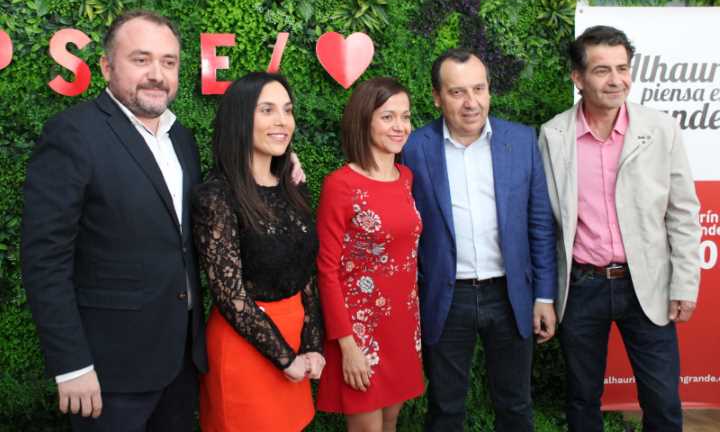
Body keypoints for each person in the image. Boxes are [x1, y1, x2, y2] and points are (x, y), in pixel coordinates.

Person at [21, 10, 208, 431]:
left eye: (168, 61)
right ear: (107, 67)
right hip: (108, 373)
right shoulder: (73, 134)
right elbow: (44, 260)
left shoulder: (182, 138)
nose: (157, 74)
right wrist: (72, 365)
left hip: (181, 362)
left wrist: (280, 165)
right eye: (141, 59)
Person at [538, 25, 701, 432]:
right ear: (577, 78)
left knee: (663, 402)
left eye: (623, 68)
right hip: (581, 286)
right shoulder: (553, 135)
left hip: (646, 285)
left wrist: (684, 283)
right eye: (602, 70)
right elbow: (545, 223)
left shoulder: (660, 129)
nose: (616, 80)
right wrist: (544, 295)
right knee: (582, 399)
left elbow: (683, 212)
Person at [402, 48, 557, 431]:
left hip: (509, 293)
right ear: (437, 97)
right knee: (445, 408)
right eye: (457, 92)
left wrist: (544, 296)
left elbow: (539, 223)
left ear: (489, 90)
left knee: (515, 405)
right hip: (446, 295)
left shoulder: (521, 141)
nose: (471, 102)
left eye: (479, 89)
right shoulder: (414, 148)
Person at [191, 72, 324, 432]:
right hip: (245, 349)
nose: (282, 120)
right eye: (267, 110)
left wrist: (313, 344)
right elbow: (229, 294)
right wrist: (285, 358)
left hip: (295, 340)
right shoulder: (216, 196)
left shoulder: (293, 186)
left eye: (287, 110)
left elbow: (306, 272)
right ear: (240, 119)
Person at [316, 77, 424, 431]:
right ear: (364, 120)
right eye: (388, 117)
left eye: (405, 116)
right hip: (359, 332)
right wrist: (347, 345)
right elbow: (326, 269)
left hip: (402, 326)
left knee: (390, 422)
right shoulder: (341, 185)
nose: (400, 126)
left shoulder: (405, 177)